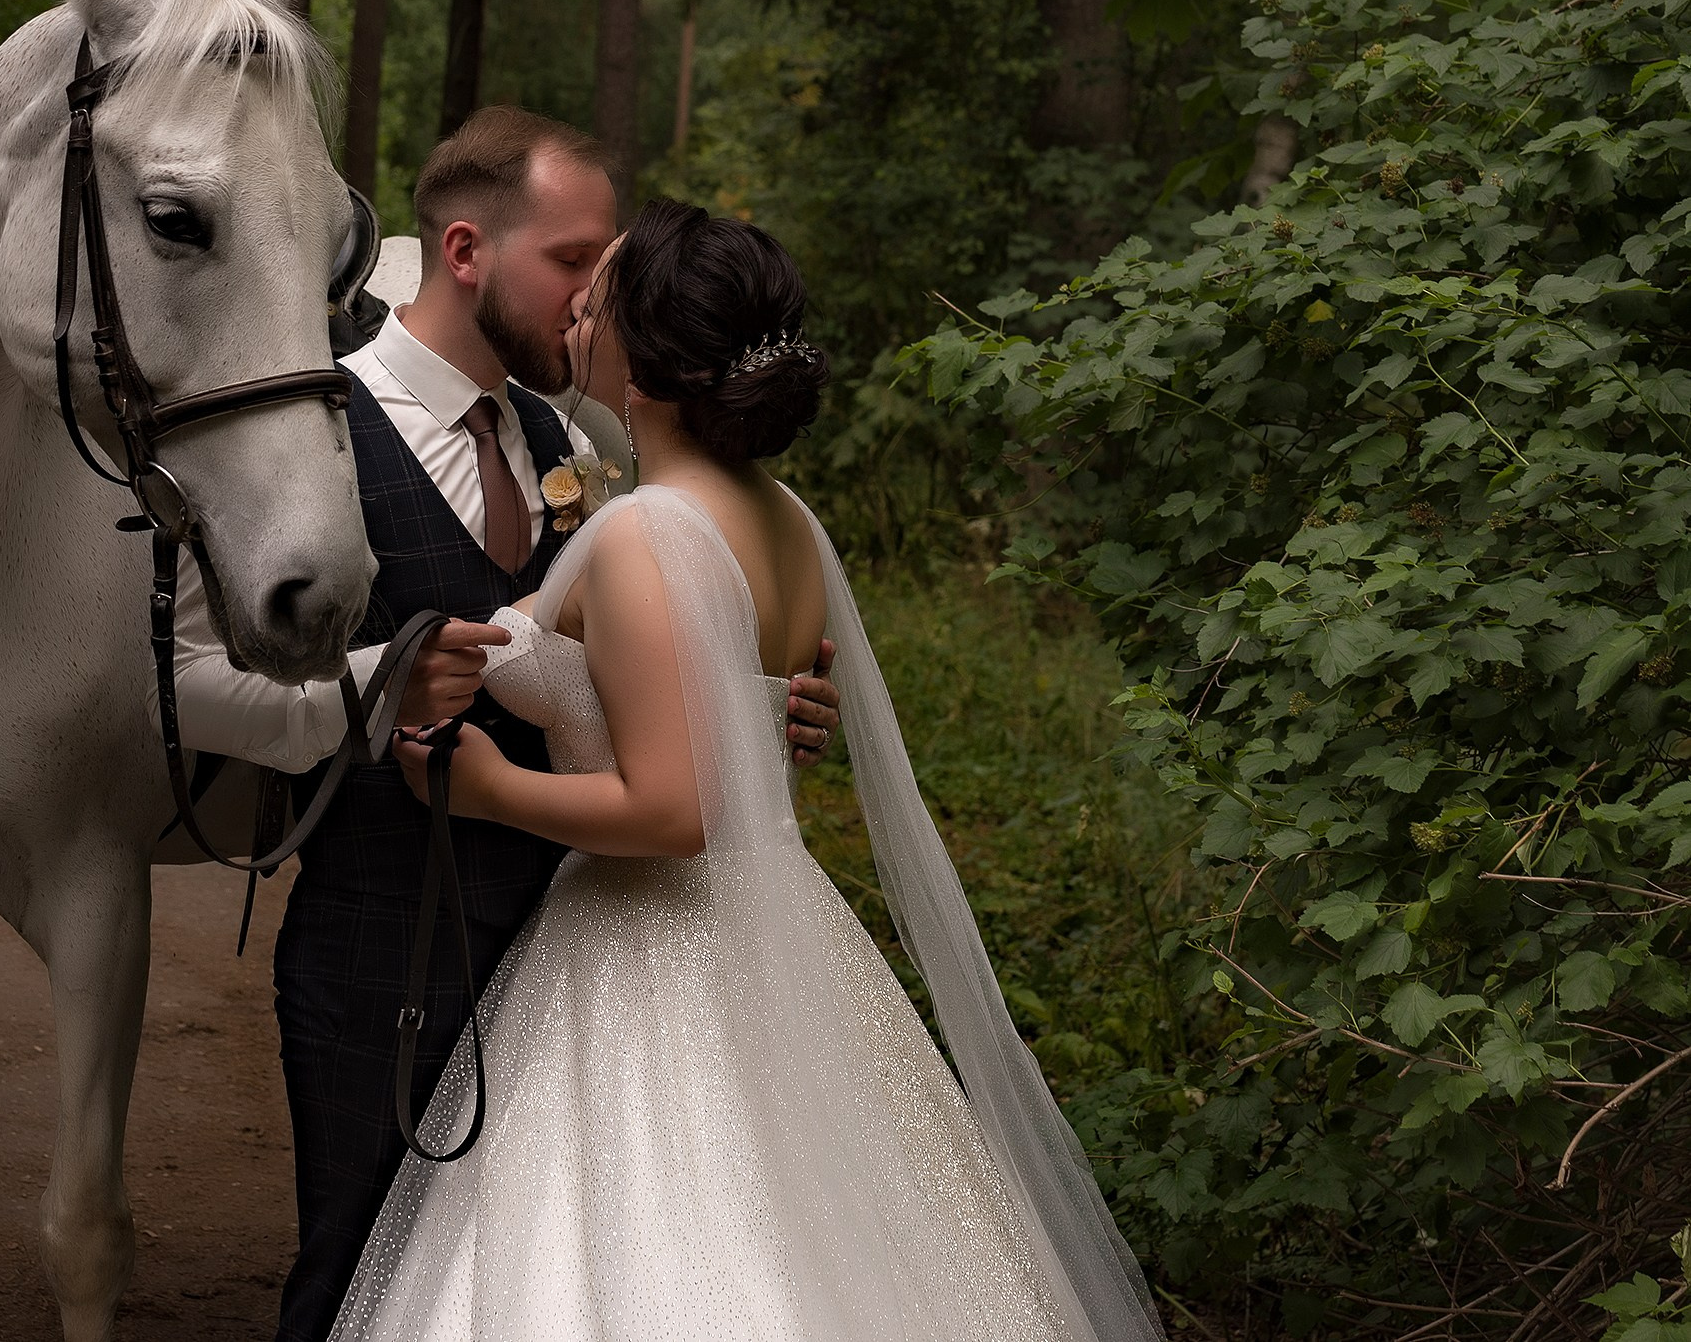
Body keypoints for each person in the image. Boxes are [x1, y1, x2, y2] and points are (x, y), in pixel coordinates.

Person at [330, 201, 1166, 1342]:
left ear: (652, 368)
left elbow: (673, 810)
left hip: (643, 950)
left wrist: (484, 789)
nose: (579, 307)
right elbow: (721, 726)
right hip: (781, 935)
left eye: (602, 295)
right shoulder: (785, 523)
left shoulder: (643, 536)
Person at [156, 111, 847, 1342]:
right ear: (466, 251)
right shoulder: (304, 434)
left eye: (606, 273)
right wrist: (371, 693)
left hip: (588, 956)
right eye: (575, 262)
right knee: (364, 1276)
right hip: (390, 944)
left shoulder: (571, 445)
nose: (595, 298)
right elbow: (187, 684)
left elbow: (658, 677)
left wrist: (747, 713)